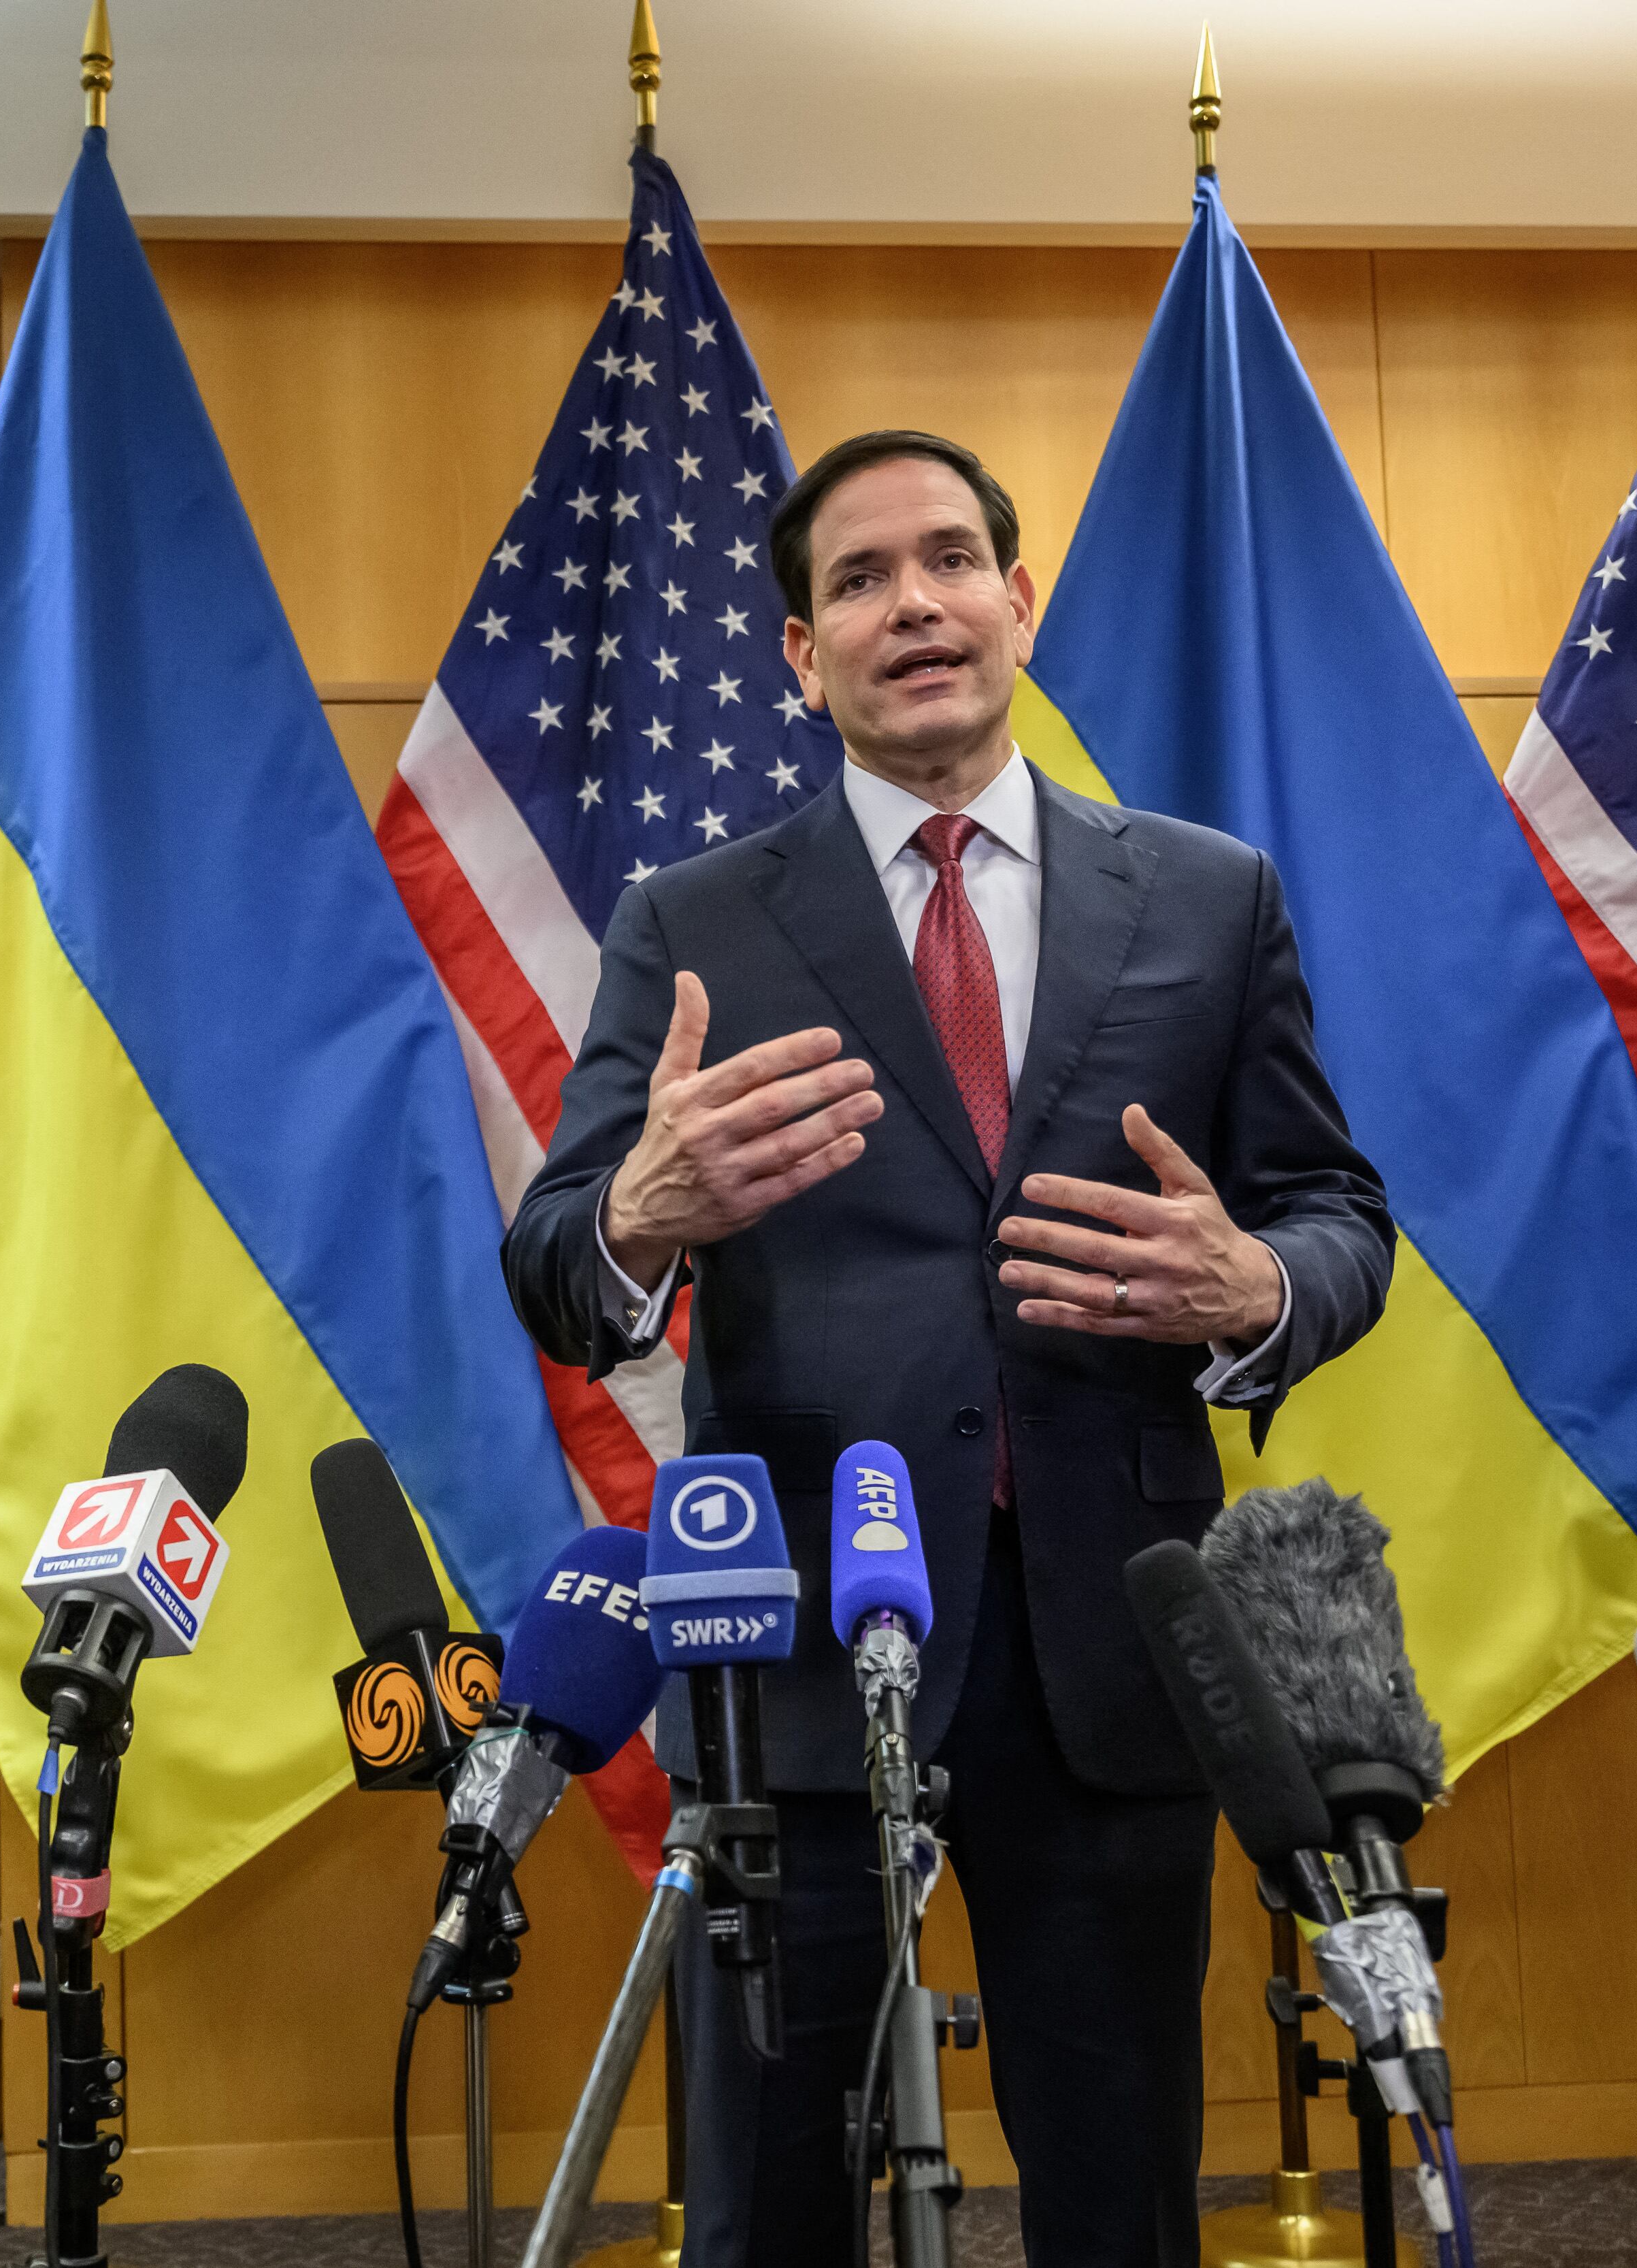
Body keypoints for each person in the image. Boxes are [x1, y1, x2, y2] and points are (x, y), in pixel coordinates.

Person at [503, 433, 1395, 2267]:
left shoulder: (1212, 895)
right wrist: (644, 1207)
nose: (910, 602)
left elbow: (1336, 1214)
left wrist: (1253, 1288)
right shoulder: (695, 922)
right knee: (774, 2197)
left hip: (1114, 1639)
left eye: (946, 559)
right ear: (797, 653)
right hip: (805, 1647)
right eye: (856, 579)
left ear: (1017, 597)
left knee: (1124, 2186)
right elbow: (559, 1268)